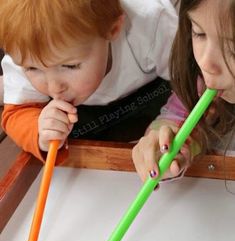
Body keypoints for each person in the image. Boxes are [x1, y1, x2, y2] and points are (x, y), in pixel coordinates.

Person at [0, 0, 177, 164]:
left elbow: (194, 83)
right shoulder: (25, 46)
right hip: (86, 123)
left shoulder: (152, 23)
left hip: (157, 92)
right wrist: (41, 132)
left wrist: (167, 124)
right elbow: (17, 112)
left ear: (113, 29)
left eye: (70, 66)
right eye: (32, 69)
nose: (54, 88)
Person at [132, 0, 235, 182]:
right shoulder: (203, 86)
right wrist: (166, 144)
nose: (205, 62)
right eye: (199, 33)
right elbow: (178, 119)